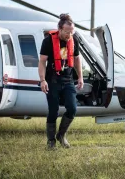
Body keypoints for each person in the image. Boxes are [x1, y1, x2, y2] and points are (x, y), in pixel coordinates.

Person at [38, 14, 84, 150]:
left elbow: (77, 59)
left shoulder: (73, 39)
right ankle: (51, 141)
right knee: (53, 111)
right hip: (52, 80)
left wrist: (80, 77)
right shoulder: (48, 41)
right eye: (66, 32)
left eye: (71, 32)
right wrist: (42, 80)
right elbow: (42, 62)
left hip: (68, 79)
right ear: (59, 28)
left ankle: (61, 135)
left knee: (72, 108)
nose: (69, 35)